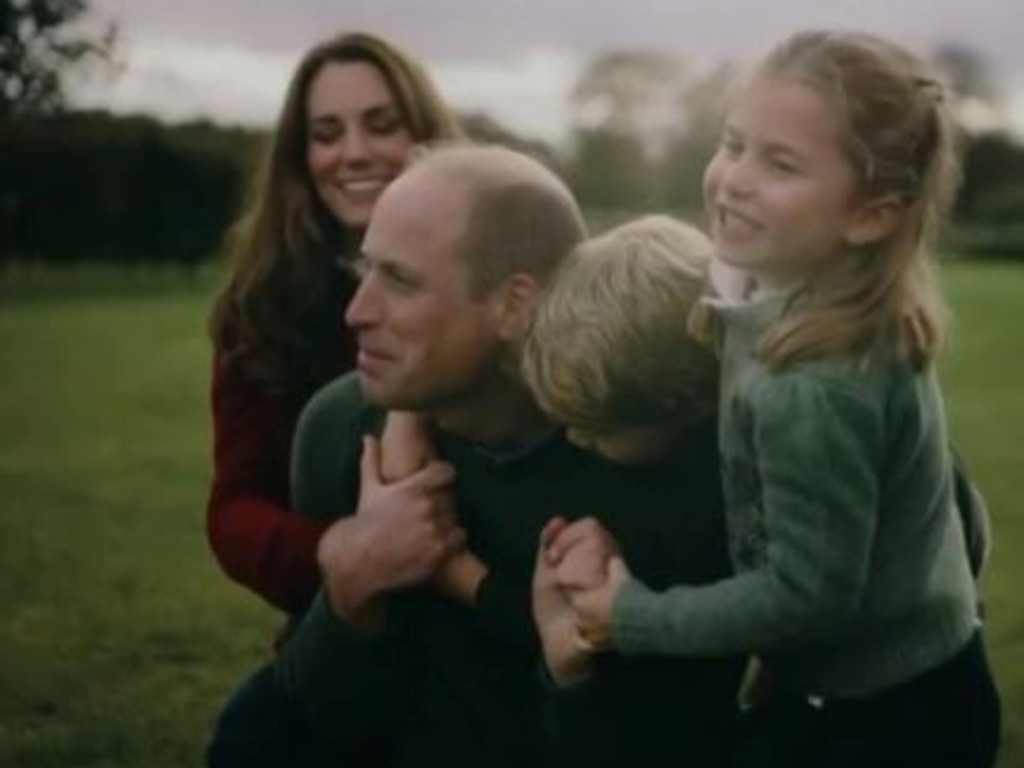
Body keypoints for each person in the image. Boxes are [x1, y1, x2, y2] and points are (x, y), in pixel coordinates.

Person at [541, 30, 1001, 768]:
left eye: (780, 162)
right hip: (898, 676)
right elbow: (949, 498)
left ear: (873, 214)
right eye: (732, 143)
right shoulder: (815, 296)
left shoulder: (814, 387)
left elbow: (807, 597)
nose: (733, 179)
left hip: (889, 722)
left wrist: (634, 619)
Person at [268, 144, 745, 768]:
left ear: (515, 305)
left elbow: (675, 737)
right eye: (366, 271)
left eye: (401, 281)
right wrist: (355, 585)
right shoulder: (339, 430)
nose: (356, 312)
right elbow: (321, 719)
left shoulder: (657, 450)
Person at [203, 30, 462, 766]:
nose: (353, 153)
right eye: (326, 133)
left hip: (484, 629)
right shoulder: (265, 307)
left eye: (382, 125)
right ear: (300, 157)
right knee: (248, 743)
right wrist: (348, 553)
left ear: (427, 136)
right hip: (343, 622)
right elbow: (234, 512)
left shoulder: (498, 273)